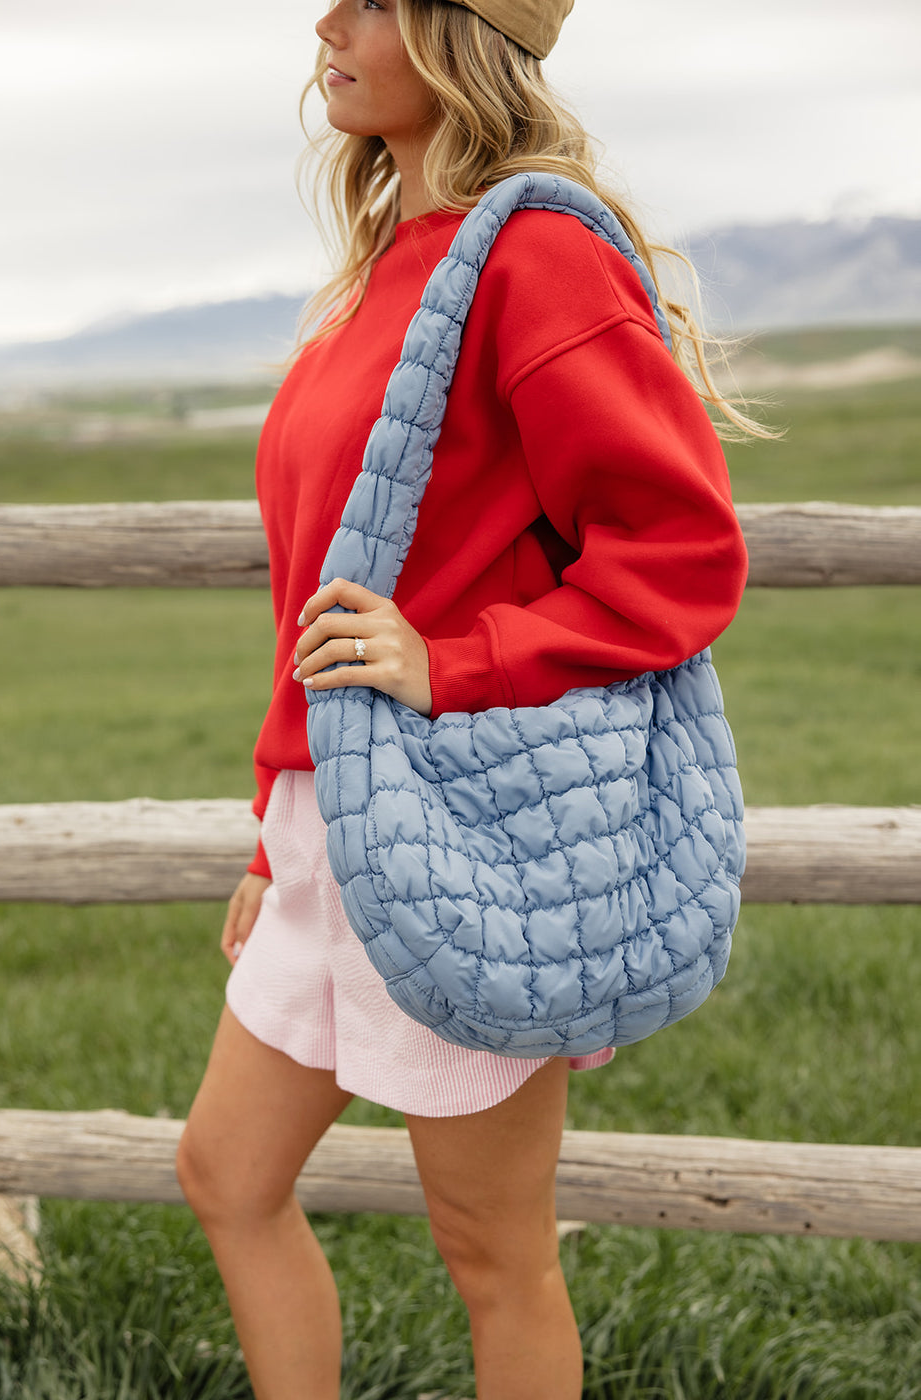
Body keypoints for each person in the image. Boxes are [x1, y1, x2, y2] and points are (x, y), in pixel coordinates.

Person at [176, 2, 755, 1396]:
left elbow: (678, 552)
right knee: (224, 1174)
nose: (325, 20)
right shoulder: (390, 267)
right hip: (339, 818)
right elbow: (323, 593)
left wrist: (454, 660)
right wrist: (278, 829)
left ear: (457, 34)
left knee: (491, 1251)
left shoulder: (536, 258)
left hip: (469, 827)